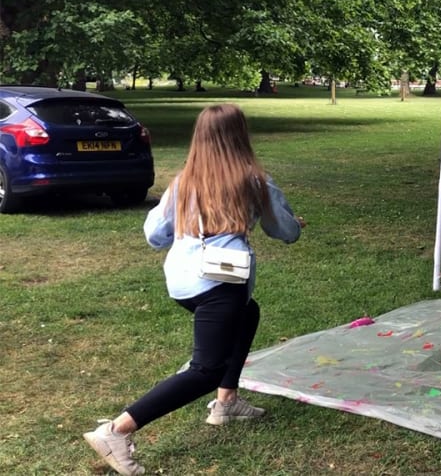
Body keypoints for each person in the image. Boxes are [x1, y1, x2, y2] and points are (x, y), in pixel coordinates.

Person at [83, 104, 305, 476]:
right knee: (205, 368)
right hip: (221, 284)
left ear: (200, 137)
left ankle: (226, 401)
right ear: (240, 136)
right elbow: (286, 232)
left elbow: (155, 235)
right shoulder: (255, 181)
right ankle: (115, 431)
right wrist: (292, 221)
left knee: (248, 313)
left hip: (183, 283)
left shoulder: (183, 181)